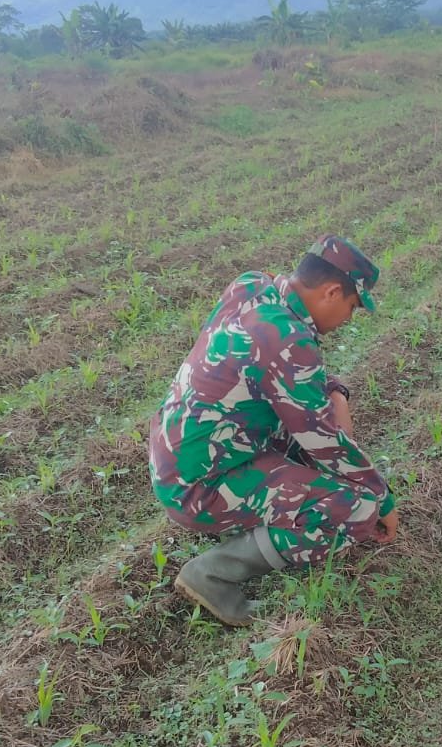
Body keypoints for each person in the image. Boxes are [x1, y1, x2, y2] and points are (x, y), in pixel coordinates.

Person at [149, 236, 399, 625]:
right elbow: (326, 443)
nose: (349, 318)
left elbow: (295, 382)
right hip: (198, 487)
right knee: (355, 509)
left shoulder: (254, 286)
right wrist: (381, 499)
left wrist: (335, 392)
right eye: (352, 306)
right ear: (332, 292)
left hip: (178, 459)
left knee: (320, 454)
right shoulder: (288, 339)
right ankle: (212, 574)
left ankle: (261, 513)